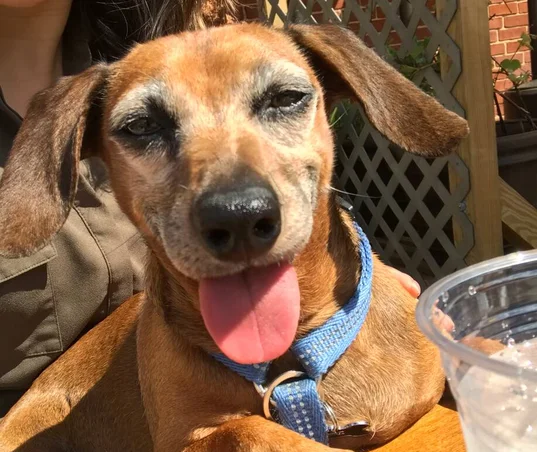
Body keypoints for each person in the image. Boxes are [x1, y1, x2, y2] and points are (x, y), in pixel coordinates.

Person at [0, 0, 421, 418]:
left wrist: (346, 281)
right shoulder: (111, 93)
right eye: (143, 128)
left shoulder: (159, 58)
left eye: (284, 99)